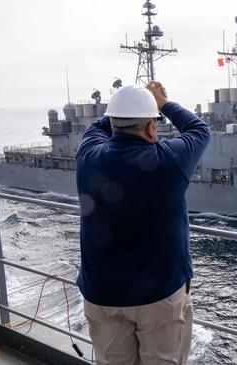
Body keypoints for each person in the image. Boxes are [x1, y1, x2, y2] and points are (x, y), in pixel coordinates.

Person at [75, 82, 211, 365]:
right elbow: (200, 130)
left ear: (113, 123)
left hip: (102, 293)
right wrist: (161, 102)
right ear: (151, 128)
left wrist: (128, 104)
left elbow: (97, 129)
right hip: (158, 295)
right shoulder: (169, 160)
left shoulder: (87, 157)